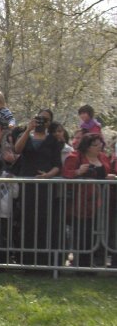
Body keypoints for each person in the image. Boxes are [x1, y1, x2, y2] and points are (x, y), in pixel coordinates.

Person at [13, 109, 62, 266]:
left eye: (45, 120)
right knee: (27, 221)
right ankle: (27, 261)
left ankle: (43, 262)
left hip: (45, 188)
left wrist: (48, 175)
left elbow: (57, 165)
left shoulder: (53, 141)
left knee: (43, 223)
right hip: (28, 186)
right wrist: (28, 130)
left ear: (49, 123)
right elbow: (17, 149)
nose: (42, 122)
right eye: (40, 118)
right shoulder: (27, 136)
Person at [62, 133, 115, 267]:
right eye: (95, 145)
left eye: (100, 144)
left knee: (98, 232)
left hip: (101, 201)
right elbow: (65, 173)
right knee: (82, 233)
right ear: (86, 146)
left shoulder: (103, 157)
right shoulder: (75, 157)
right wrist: (78, 172)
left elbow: (103, 174)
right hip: (80, 202)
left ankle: (94, 262)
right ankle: (81, 264)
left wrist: (109, 177)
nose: (99, 147)